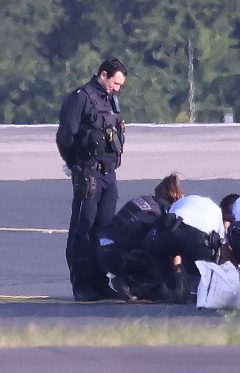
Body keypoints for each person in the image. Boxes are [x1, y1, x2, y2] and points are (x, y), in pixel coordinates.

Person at [56, 58, 128, 301]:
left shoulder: (109, 100)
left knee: (104, 230)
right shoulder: (80, 98)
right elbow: (65, 137)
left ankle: (99, 282)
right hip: (88, 173)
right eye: (115, 82)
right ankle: (82, 284)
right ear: (104, 74)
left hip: (108, 174)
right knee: (83, 230)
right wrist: (76, 167)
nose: (117, 88)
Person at [97, 173, 184, 302]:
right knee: (161, 277)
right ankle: (134, 286)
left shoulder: (145, 200)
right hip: (117, 254)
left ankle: (125, 278)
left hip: (104, 250)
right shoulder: (157, 214)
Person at [137, 193, 226, 303]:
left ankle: (171, 287)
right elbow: (220, 244)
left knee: (156, 252)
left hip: (172, 230)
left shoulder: (181, 202)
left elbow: (167, 222)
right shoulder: (216, 211)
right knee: (198, 271)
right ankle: (196, 291)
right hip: (199, 240)